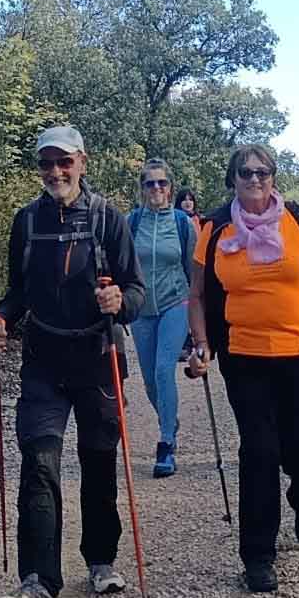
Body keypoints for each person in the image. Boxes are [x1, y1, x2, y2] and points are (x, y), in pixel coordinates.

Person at [0, 125, 146, 598]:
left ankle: (100, 558)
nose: (55, 172)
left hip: (97, 358)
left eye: (64, 162)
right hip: (44, 360)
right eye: (46, 163)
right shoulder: (26, 221)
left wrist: (120, 301)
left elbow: (136, 293)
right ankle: (37, 583)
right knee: (39, 462)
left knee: (97, 463)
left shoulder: (108, 218)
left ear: (82, 162)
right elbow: (17, 291)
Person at [185, 143, 299, 594]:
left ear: (274, 176)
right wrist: (201, 343)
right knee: (259, 451)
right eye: (245, 172)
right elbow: (197, 294)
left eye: (263, 171)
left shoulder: (298, 219)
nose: (255, 179)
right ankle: (258, 556)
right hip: (244, 356)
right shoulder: (214, 228)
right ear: (233, 179)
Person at [127, 158, 195, 478]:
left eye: (162, 182)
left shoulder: (182, 223)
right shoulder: (131, 222)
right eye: (150, 183)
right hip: (141, 309)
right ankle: (170, 419)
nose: (156, 187)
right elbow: (121, 265)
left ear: (170, 187)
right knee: (150, 381)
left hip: (175, 303)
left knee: (164, 369)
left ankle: (166, 442)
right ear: (142, 188)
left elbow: (194, 270)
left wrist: (198, 320)